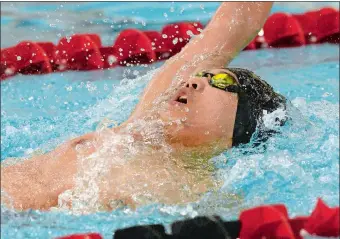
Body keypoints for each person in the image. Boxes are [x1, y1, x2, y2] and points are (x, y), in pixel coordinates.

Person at [1, 2, 285, 212]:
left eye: (222, 81)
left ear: (239, 130)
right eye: (201, 75)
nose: (196, 82)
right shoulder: (141, 125)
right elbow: (235, 20)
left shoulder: (196, 193)